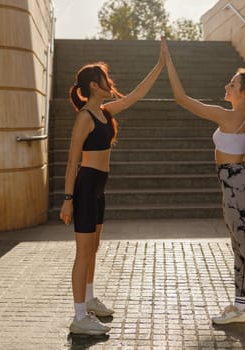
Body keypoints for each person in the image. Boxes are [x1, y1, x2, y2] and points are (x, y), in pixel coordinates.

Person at [162, 39, 245, 337]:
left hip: (235, 188)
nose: (227, 86)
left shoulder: (228, 115)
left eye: (232, 84)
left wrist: (168, 61)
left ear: (244, 93)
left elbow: (181, 98)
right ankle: (240, 306)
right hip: (239, 184)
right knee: (239, 248)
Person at [60, 39, 165, 335]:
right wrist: (68, 199)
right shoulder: (84, 118)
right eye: (105, 79)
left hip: (98, 188)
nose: (110, 83)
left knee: (93, 248)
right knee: (83, 252)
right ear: (94, 85)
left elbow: (136, 95)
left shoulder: (104, 112)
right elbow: (71, 163)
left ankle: (89, 300)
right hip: (84, 186)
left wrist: (160, 65)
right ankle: (79, 317)